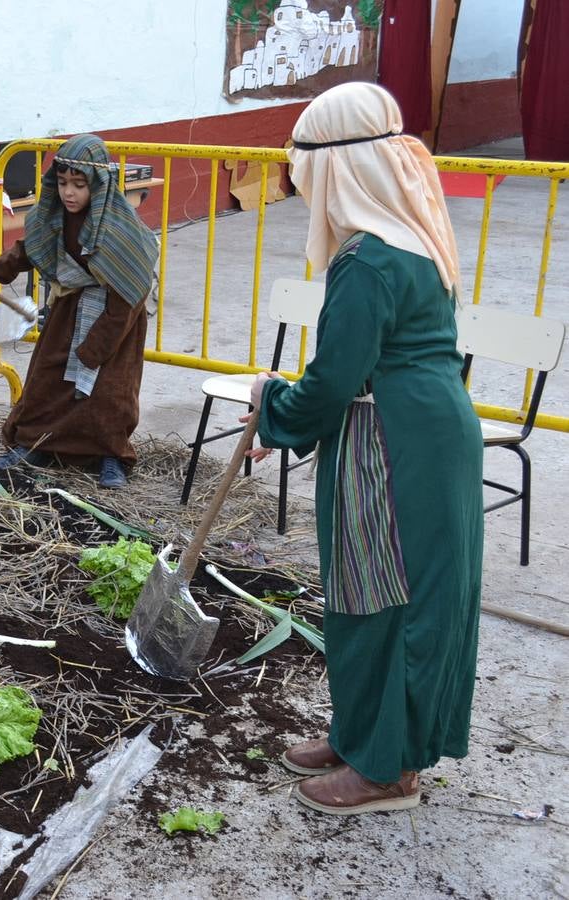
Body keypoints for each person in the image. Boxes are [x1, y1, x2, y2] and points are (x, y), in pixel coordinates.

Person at [247, 82, 482, 815]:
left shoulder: (370, 261)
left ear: (339, 171)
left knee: (387, 600)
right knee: (367, 592)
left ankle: (388, 769)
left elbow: (331, 380)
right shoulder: (411, 237)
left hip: (397, 445)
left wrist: (273, 408)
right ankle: (360, 734)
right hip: (415, 429)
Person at [0, 133, 159, 488]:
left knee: (108, 392)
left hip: (113, 320)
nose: (68, 193)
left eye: (78, 185)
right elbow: (31, 248)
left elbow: (129, 292)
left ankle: (111, 457)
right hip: (67, 311)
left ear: (100, 184)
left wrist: (95, 348)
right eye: (62, 183)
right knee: (47, 380)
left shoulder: (121, 231)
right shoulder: (56, 218)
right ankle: (34, 444)